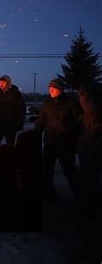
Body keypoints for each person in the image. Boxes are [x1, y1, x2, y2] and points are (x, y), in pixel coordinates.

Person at [34, 78, 81, 194]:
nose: (51, 90)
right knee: (47, 170)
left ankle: (79, 195)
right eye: (50, 88)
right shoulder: (47, 103)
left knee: (69, 169)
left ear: (61, 89)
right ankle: (49, 193)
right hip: (50, 142)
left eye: (54, 88)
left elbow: (79, 121)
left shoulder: (70, 103)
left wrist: (69, 131)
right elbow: (41, 121)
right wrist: (35, 133)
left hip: (65, 143)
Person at [76, 82, 102, 263]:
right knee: (86, 183)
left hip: (94, 158)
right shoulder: (86, 115)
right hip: (86, 156)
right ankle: (86, 211)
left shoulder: (97, 116)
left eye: (84, 97)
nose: (82, 101)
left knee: (92, 185)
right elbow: (75, 127)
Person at [0, 75, 26, 146]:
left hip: (10, 125)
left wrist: (19, 125)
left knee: (10, 144)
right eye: (0, 82)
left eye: (3, 82)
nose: (1, 84)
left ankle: (10, 156)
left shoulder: (15, 94)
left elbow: (21, 110)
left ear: (8, 83)